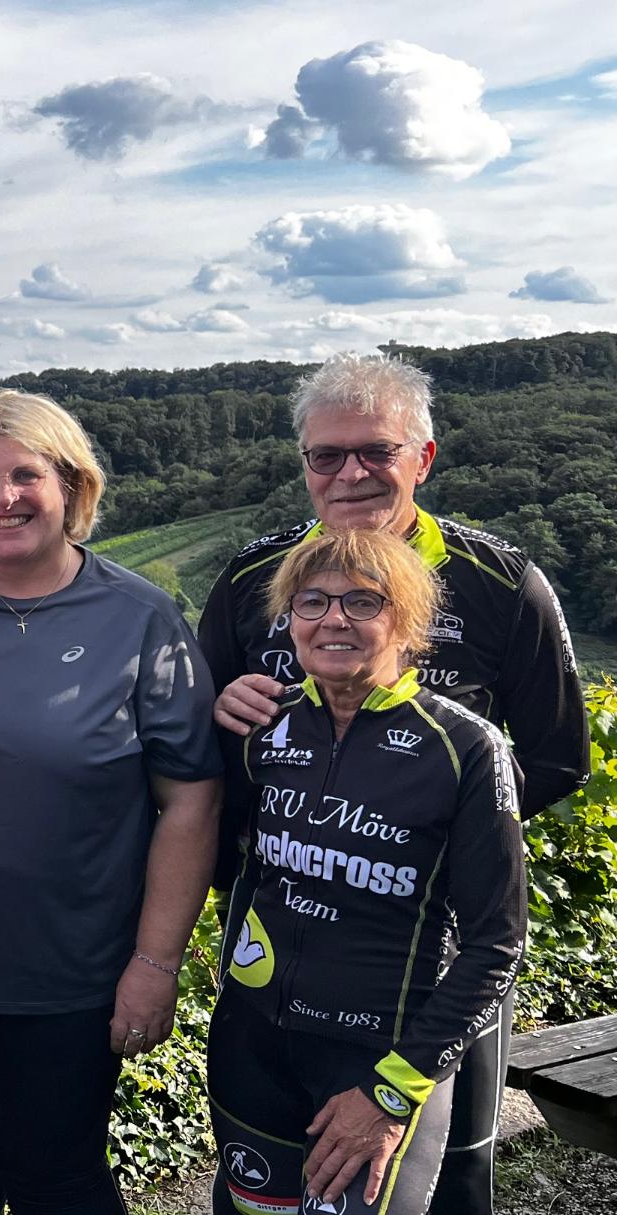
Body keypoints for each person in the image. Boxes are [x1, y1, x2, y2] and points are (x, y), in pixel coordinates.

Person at [197, 352, 587, 1215]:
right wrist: (218, 716)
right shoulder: (248, 582)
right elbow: (195, 765)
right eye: (325, 455)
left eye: (375, 450)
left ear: (424, 457)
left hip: (441, 961)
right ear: (302, 464)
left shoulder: (502, 583)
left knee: (441, 1187)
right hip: (278, 962)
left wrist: (431, 835)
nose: (349, 473)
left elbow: (559, 755)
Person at [0, 388, 222, 1213]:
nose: (4, 497)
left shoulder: (139, 617)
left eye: (26, 474)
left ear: (72, 485)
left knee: (55, 1178)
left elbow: (193, 800)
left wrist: (154, 963)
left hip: (73, 978)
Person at [209, 529, 525, 1215]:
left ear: (407, 621)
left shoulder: (466, 747)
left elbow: (496, 945)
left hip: (380, 1063)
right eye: (312, 600)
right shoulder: (263, 726)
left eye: (363, 601)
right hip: (253, 1046)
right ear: (288, 619)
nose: (333, 618)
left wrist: (390, 1095)